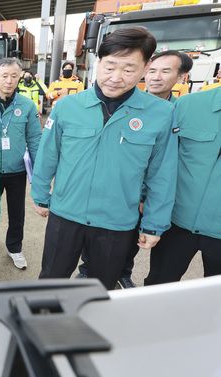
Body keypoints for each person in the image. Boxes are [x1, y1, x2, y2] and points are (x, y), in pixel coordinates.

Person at [31, 27, 178, 290]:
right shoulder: (67, 106)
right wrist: (40, 194)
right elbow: (47, 154)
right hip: (66, 214)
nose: (116, 77)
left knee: (100, 289)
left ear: (145, 68)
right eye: (109, 66)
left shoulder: (161, 114)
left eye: (128, 69)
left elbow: (162, 173)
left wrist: (154, 223)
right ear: (98, 63)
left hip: (116, 221)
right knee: (50, 283)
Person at [77, 50, 193, 288]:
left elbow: (165, 166)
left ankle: (122, 272)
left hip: (159, 195)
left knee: (133, 243)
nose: (156, 77)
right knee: (106, 238)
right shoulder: (119, 104)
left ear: (182, 77)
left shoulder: (182, 113)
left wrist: (150, 200)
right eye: (152, 70)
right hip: (122, 193)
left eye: (165, 71)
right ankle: (91, 270)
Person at [145, 87, 220, 285]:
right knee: (158, 287)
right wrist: (146, 198)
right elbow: (158, 159)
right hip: (177, 221)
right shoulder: (188, 105)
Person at [0, 58, 41, 270]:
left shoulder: (27, 105)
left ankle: (14, 247)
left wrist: (39, 170)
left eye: (14, 75)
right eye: (4, 76)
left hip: (17, 171)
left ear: (20, 76)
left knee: (16, 212)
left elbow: (35, 139)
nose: (9, 81)